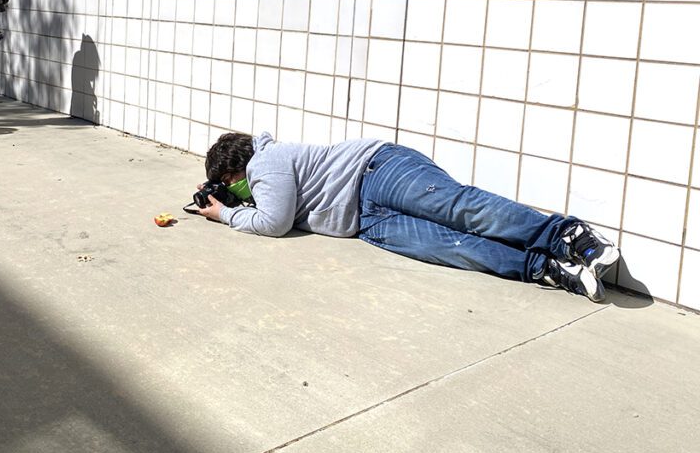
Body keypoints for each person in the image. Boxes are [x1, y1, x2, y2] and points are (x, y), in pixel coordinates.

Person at [195, 132, 621, 302]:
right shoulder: (258, 180)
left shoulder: (265, 163)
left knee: (459, 208)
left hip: (375, 172)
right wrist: (237, 207)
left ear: (236, 171)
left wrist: (225, 216)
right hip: (365, 220)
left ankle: (569, 235)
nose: (231, 189)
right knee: (452, 247)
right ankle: (548, 269)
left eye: (227, 182)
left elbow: (274, 222)